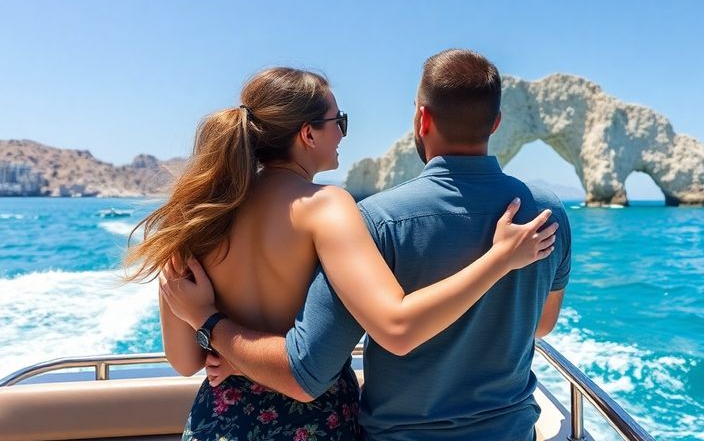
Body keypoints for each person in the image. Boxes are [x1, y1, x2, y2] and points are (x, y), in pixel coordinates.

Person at [127, 66, 559, 441]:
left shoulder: (194, 216)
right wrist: (500, 259)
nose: (342, 134)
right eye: (340, 121)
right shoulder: (326, 207)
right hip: (311, 423)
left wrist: (211, 327)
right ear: (308, 133)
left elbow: (186, 362)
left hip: (218, 421)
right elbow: (393, 325)